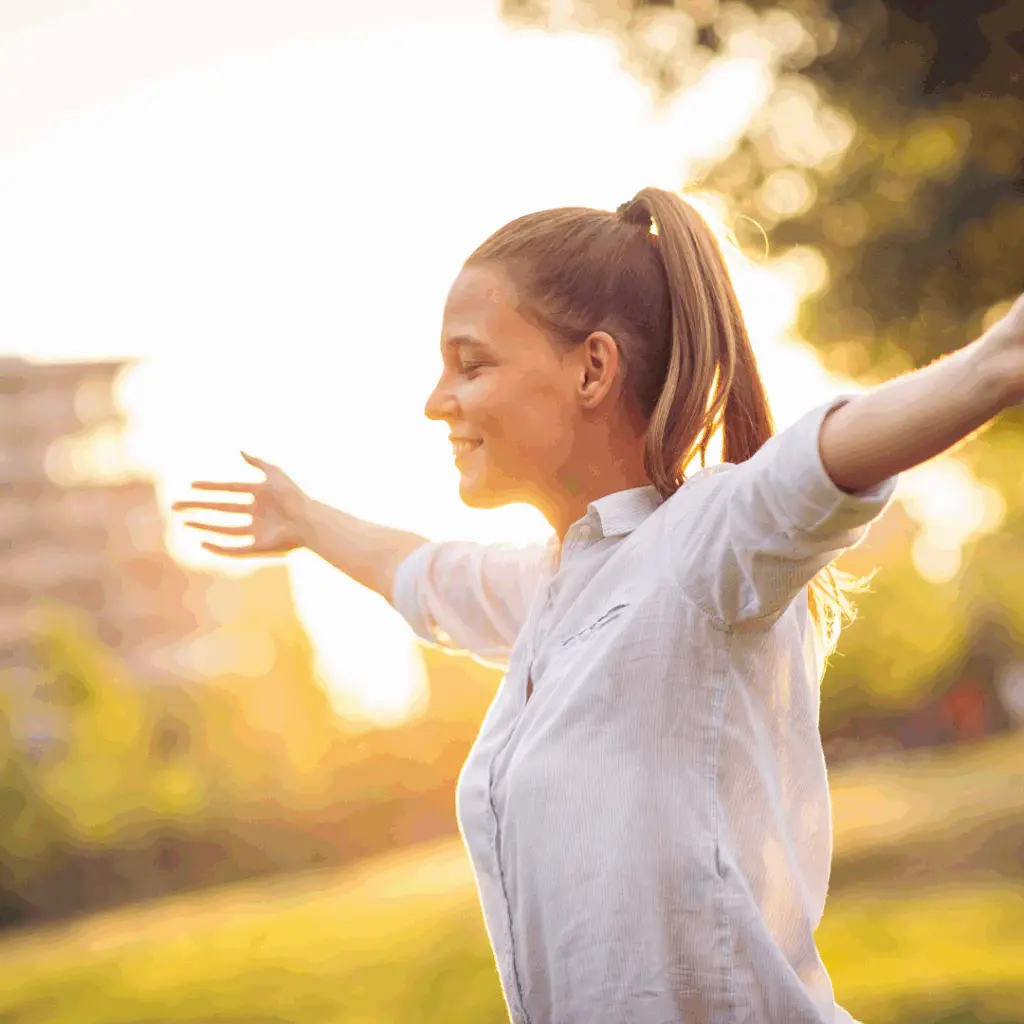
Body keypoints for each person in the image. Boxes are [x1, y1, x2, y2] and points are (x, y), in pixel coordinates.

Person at [172, 188, 1023, 1024]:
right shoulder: (551, 592)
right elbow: (425, 576)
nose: (437, 400)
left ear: (592, 368)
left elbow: (818, 464)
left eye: (472, 364)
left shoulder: (700, 548)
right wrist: (309, 521)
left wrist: (995, 365)